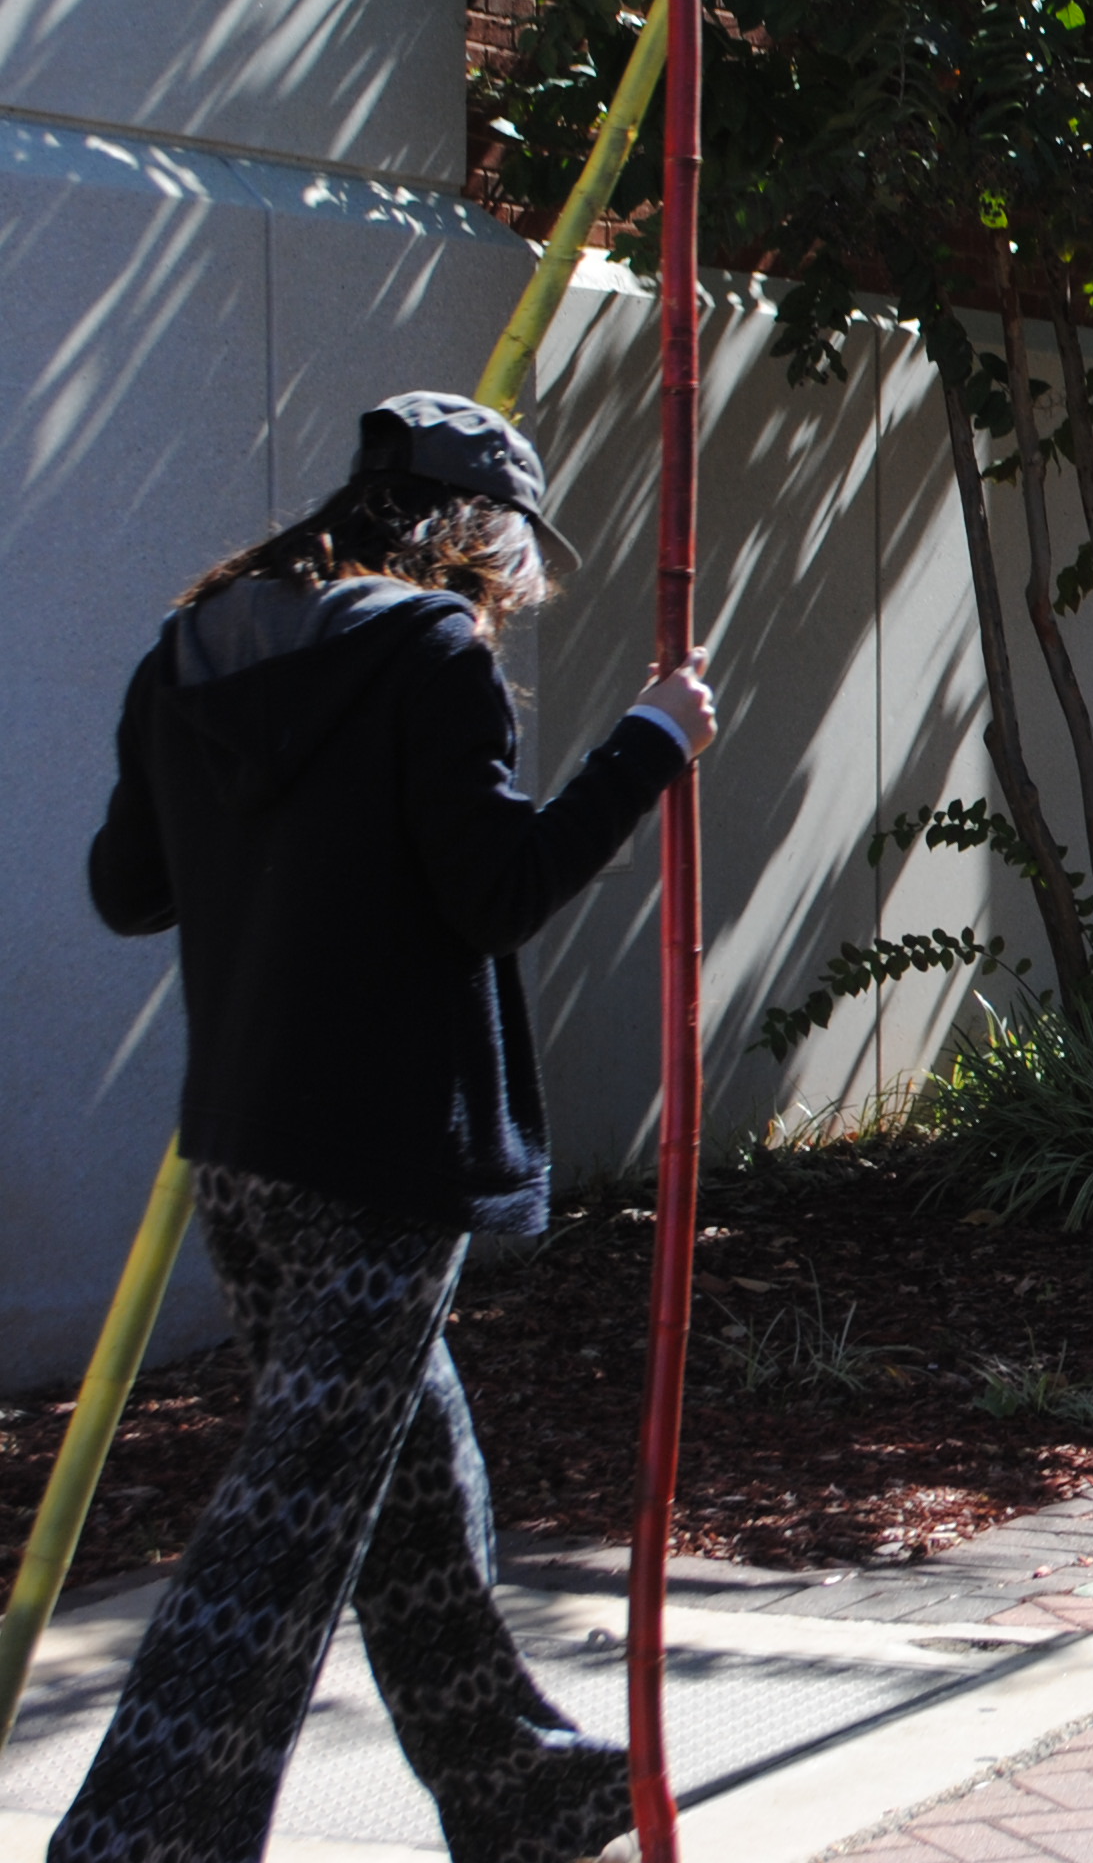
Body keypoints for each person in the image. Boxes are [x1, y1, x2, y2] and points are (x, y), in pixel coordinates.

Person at [68, 392, 716, 1863]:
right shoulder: (432, 652)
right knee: (285, 1528)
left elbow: (128, 888)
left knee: (414, 1485)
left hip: (240, 1146)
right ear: (476, 533)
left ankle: (513, 1785)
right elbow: (497, 891)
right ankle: (136, 1839)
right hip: (379, 1158)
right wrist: (649, 743)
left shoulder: (194, 646)